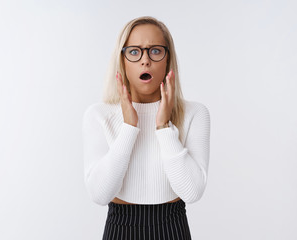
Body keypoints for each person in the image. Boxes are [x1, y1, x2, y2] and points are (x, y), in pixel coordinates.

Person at [82, 16, 210, 240]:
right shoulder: (99, 115)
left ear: (168, 58)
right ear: (122, 60)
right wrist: (129, 127)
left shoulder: (195, 113)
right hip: (120, 228)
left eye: (155, 51)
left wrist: (163, 126)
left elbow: (191, 192)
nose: (145, 61)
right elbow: (100, 194)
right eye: (134, 52)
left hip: (173, 227)